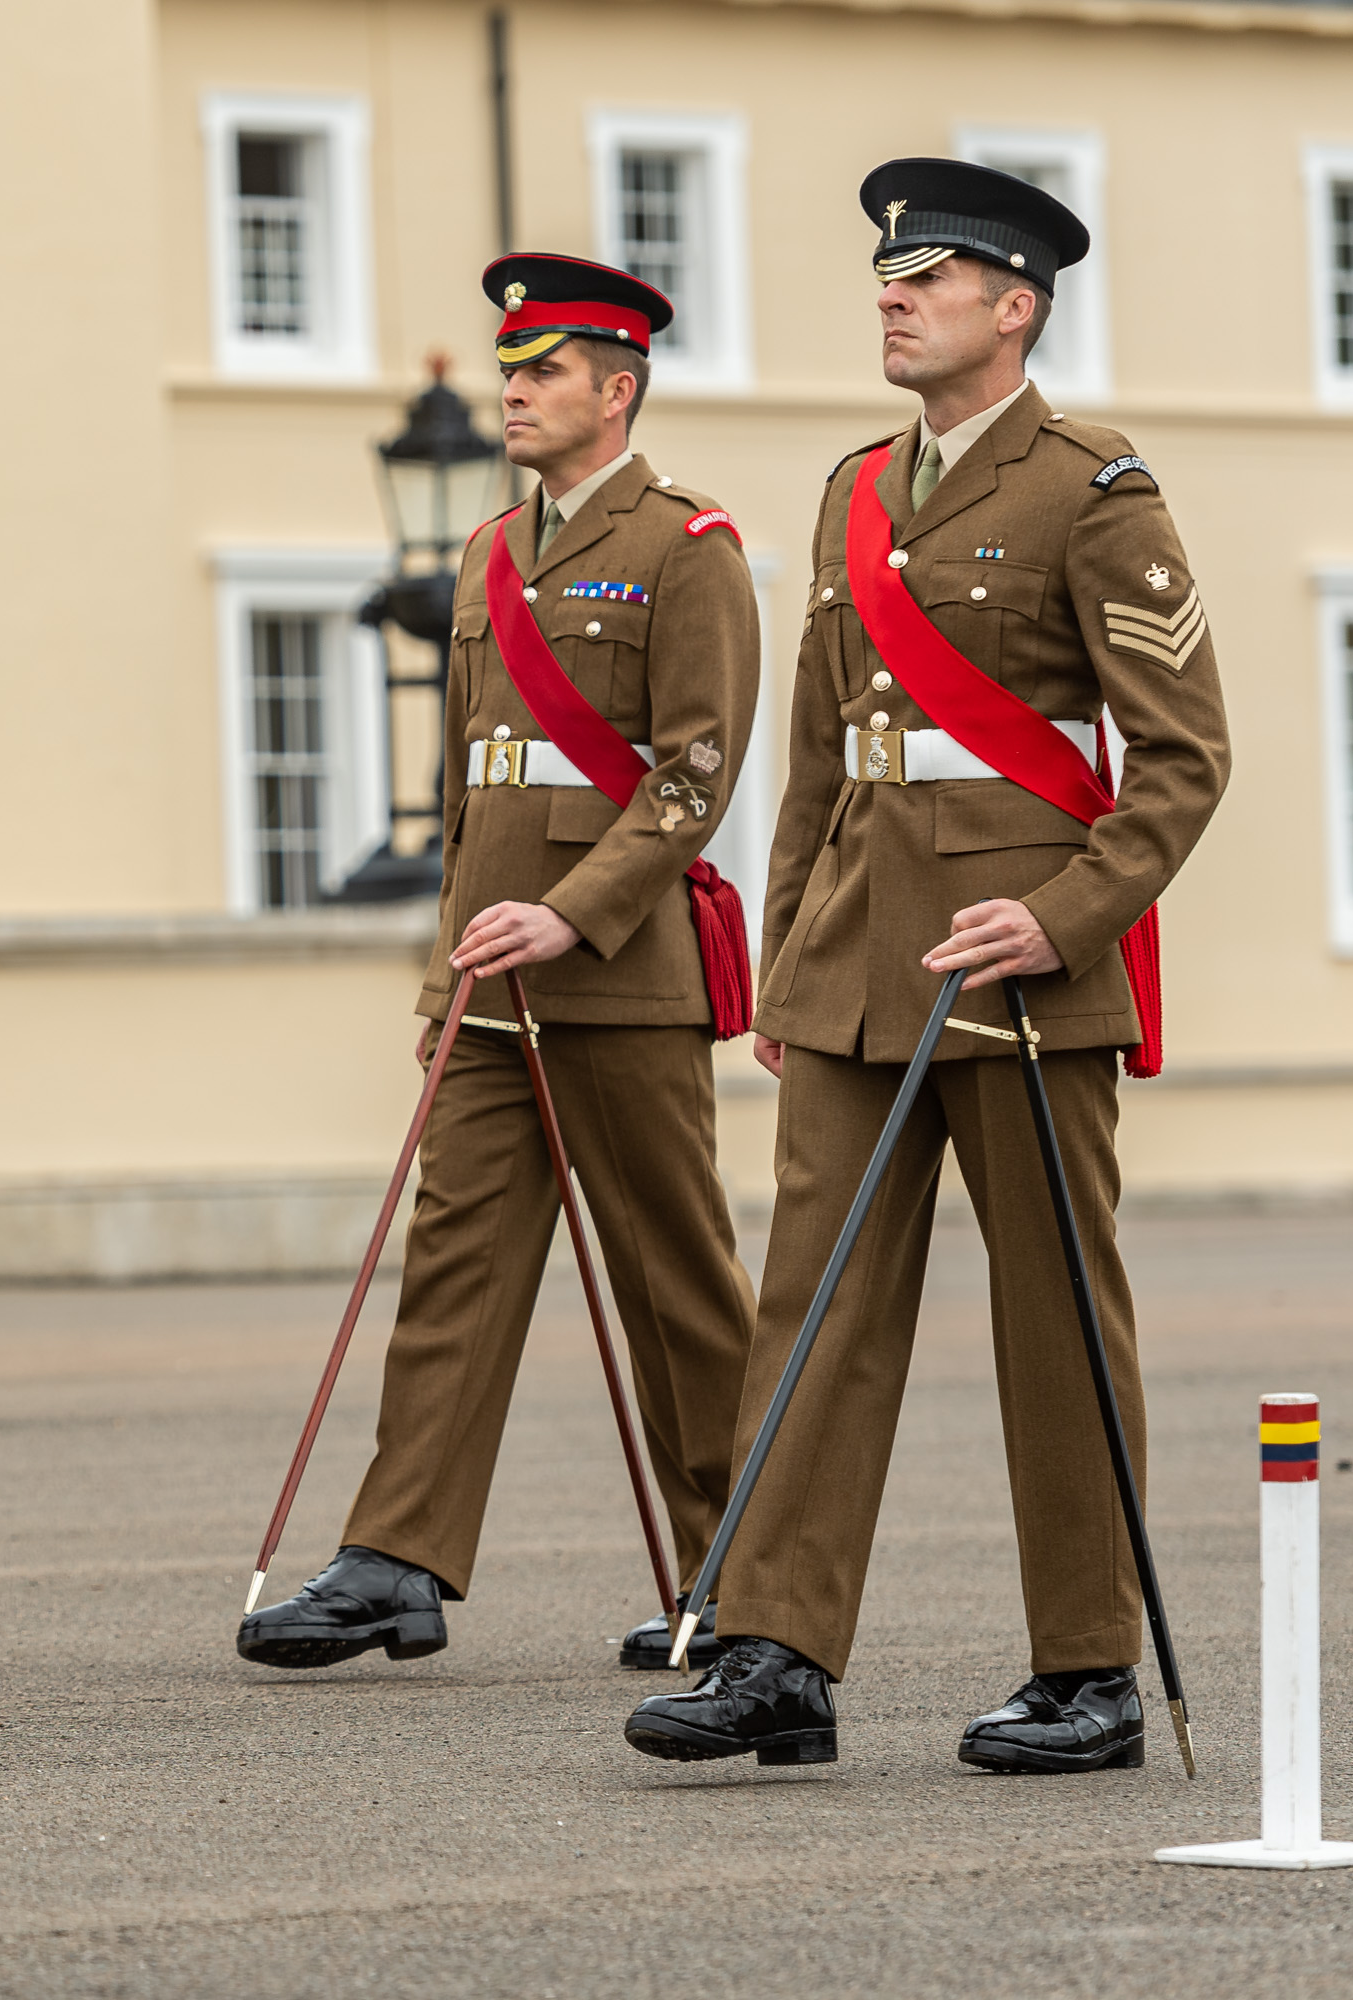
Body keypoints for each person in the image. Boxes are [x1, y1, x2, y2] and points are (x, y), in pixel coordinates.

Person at [626, 160, 1230, 1772]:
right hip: (854, 972)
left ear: (1014, 302)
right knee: (808, 1314)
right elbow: (828, 742)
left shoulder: (1092, 488)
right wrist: (791, 936)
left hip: (1017, 969)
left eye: (932, 276)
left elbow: (1179, 760)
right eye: (888, 276)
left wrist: (1068, 916)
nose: (892, 294)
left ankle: (1088, 1668)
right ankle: (773, 1651)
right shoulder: (855, 488)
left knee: (1055, 1322)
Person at [237, 256, 760, 1678]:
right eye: (510, 370)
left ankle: (747, 1580)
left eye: (542, 373)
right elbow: (469, 790)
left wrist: (576, 914)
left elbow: (694, 772)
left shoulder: (686, 542)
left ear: (618, 389)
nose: (514, 393)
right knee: (454, 1266)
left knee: (677, 1286)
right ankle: (397, 1556)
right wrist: (443, 974)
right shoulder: (485, 554)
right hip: (493, 978)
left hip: (621, 972)